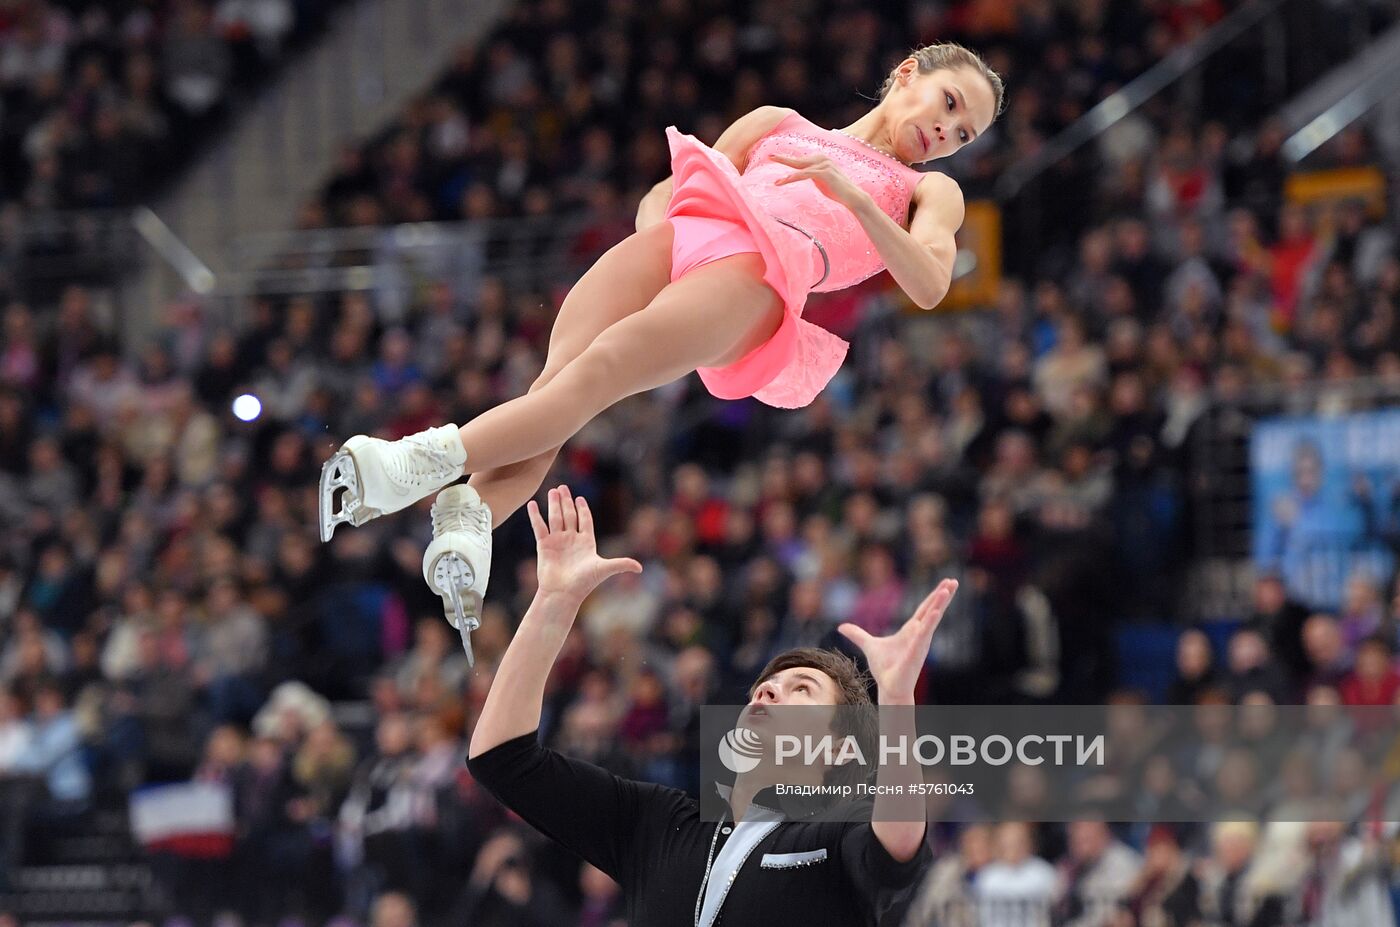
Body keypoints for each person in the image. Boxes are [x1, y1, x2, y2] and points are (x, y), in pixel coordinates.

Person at [316, 44, 1005, 661]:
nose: (948, 131)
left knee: (596, 374)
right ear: (909, 72)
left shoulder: (928, 190)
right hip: (685, 241)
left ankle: (405, 465)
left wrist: (852, 195)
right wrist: (665, 237)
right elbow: (670, 190)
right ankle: (468, 520)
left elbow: (930, 283)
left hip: (759, 277)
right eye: (949, 103)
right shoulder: (776, 123)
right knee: (556, 387)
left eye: (964, 132)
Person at [465, 485, 951, 925]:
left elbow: (898, 844)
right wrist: (553, 601)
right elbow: (501, 760)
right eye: (767, 685)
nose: (769, 691)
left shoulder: (838, 831)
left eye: (802, 689)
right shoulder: (656, 823)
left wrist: (895, 700)